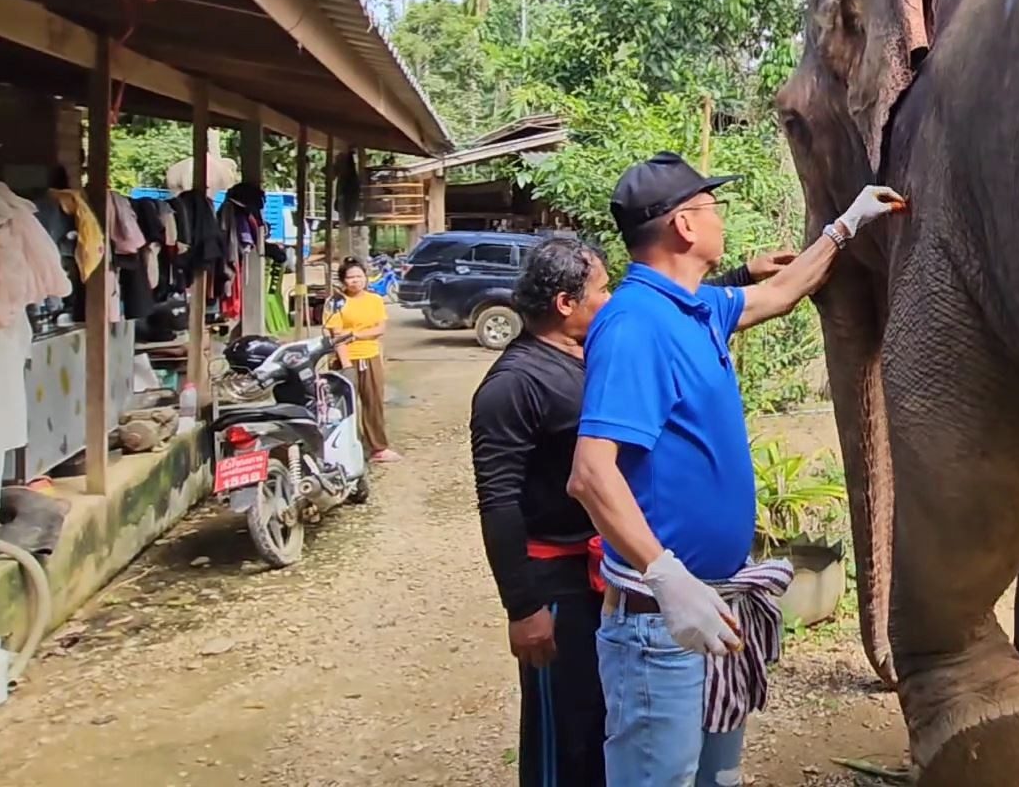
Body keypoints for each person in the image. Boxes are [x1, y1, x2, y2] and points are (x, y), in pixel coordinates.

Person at [568, 151, 904, 787]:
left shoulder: (696, 308)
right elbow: (590, 474)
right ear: (685, 227)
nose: (722, 221)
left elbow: (781, 290)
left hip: (717, 610)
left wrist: (847, 224)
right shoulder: (635, 325)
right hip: (662, 622)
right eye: (713, 207)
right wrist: (667, 578)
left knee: (716, 778)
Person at [471, 234, 795, 787]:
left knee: (610, 720)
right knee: (565, 728)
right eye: (601, 289)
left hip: (610, 569)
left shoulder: (595, 346)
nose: (613, 298)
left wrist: (742, 273)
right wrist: (522, 608)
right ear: (564, 304)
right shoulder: (513, 385)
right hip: (559, 581)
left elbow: (663, 311)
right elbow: (498, 502)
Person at [324, 257, 399, 463]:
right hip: (345, 359)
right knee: (344, 406)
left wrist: (355, 335)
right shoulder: (336, 302)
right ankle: (345, 449)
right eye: (350, 277)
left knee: (373, 403)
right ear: (343, 280)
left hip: (371, 355)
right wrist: (347, 364)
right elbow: (337, 336)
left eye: (359, 276)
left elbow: (380, 329)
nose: (355, 281)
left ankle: (378, 447)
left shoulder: (374, 300)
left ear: (366, 278)